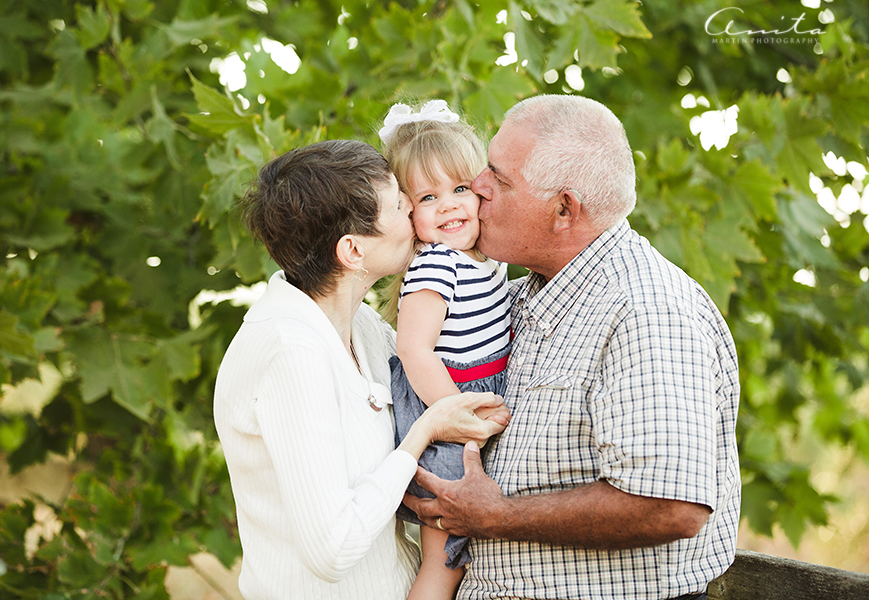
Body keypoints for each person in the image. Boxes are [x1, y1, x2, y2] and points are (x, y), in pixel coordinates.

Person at [403, 94, 742, 600]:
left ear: (564, 209)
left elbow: (672, 506)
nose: (477, 187)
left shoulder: (647, 312)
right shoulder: (522, 292)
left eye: (499, 177)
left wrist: (498, 518)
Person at [212, 139, 511, 600]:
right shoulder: (289, 353)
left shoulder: (363, 326)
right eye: (398, 204)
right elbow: (333, 549)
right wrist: (426, 432)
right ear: (352, 251)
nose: (415, 208)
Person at [378, 101, 511, 599]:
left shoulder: (482, 259)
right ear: (410, 214)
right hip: (443, 403)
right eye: (429, 197)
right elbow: (414, 349)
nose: (450, 205)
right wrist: (452, 412)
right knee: (446, 556)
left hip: (469, 397)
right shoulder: (437, 264)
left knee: (466, 548)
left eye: (459, 189)